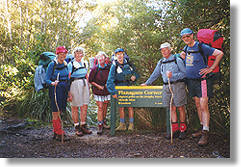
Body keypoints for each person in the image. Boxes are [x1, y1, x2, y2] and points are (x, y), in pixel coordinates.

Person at [180, 28, 223, 146]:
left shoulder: (201, 46)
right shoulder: (186, 48)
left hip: (202, 81)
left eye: (188, 36)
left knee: (204, 106)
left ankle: (205, 132)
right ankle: (202, 127)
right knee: (198, 105)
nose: (186, 39)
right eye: (183, 37)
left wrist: (211, 68)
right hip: (191, 81)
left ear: (192, 35)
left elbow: (219, 54)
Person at [141, 42, 187, 140]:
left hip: (178, 86)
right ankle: (175, 131)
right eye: (162, 50)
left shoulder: (177, 59)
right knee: (172, 108)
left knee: (180, 107)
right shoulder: (161, 62)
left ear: (170, 50)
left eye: (166, 49)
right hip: (166, 87)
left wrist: (173, 76)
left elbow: (185, 73)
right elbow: (155, 73)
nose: (164, 51)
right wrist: (147, 83)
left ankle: (183, 130)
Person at [107, 48, 139, 131]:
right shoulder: (114, 65)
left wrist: (134, 77)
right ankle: (122, 124)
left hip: (128, 86)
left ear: (123, 54)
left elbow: (136, 73)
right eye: (117, 54)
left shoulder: (129, 63)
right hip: (119, 87)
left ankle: (131, 125)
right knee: (121, 106)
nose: (119, 56)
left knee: (130, 106)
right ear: (115, 56)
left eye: (121, 54)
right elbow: (110, 80)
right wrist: (113, 92)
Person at [45, 46, 70, 141]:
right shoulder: (52, 65)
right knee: (55, 111)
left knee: (61, 110)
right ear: (57, 54)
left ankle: (57, 131)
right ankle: (58, 132)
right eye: (61, 54)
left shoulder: (65, 64)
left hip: (64, 89)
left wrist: (68, 92)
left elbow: (67, 79)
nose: (63, 55)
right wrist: (52, 83)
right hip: (55, 89)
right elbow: (46, 79)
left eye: (64, 54)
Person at [67, 46, 92, 137]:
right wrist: (68, 92)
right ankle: (77, 126)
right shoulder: (71, 64)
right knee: (75, 106)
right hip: (75, 84)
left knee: (84, 105)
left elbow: (87, 75)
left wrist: (88, 86)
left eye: (81, 53)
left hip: (84, 84)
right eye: (77, 53)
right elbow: (68, 78)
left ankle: (83, 125)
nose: (79, 55)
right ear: (74, 54)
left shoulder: (85, 63)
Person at [89, 51, 111, 135]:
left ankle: (104, 122)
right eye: (99, 57)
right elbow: (90, 80)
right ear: (97, 59)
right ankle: (100, 125)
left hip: (106, 90)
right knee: (100, 107)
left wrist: (107, 84)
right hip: (98, 90)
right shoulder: (95, 69)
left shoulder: (108, 67)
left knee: (105, 105)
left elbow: (112, 77)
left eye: (102, 57)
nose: (101, 59)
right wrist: (98, 86)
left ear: (105, 59)